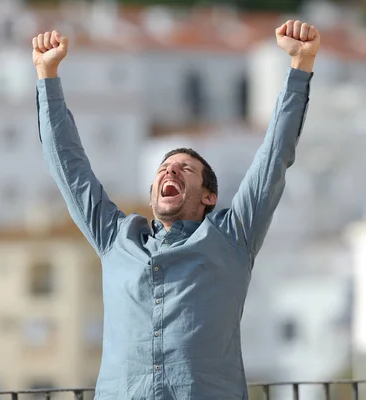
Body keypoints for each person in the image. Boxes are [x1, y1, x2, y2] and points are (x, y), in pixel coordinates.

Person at [32, 19, 320, 400]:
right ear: (152, 194)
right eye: (163, 169)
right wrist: (46, 74)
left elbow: (274, 158)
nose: (170, 170)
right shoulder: (115, 239)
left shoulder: (232, 237)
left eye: (186, 168)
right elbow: (68, 166)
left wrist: (300, 67)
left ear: (208, 197)